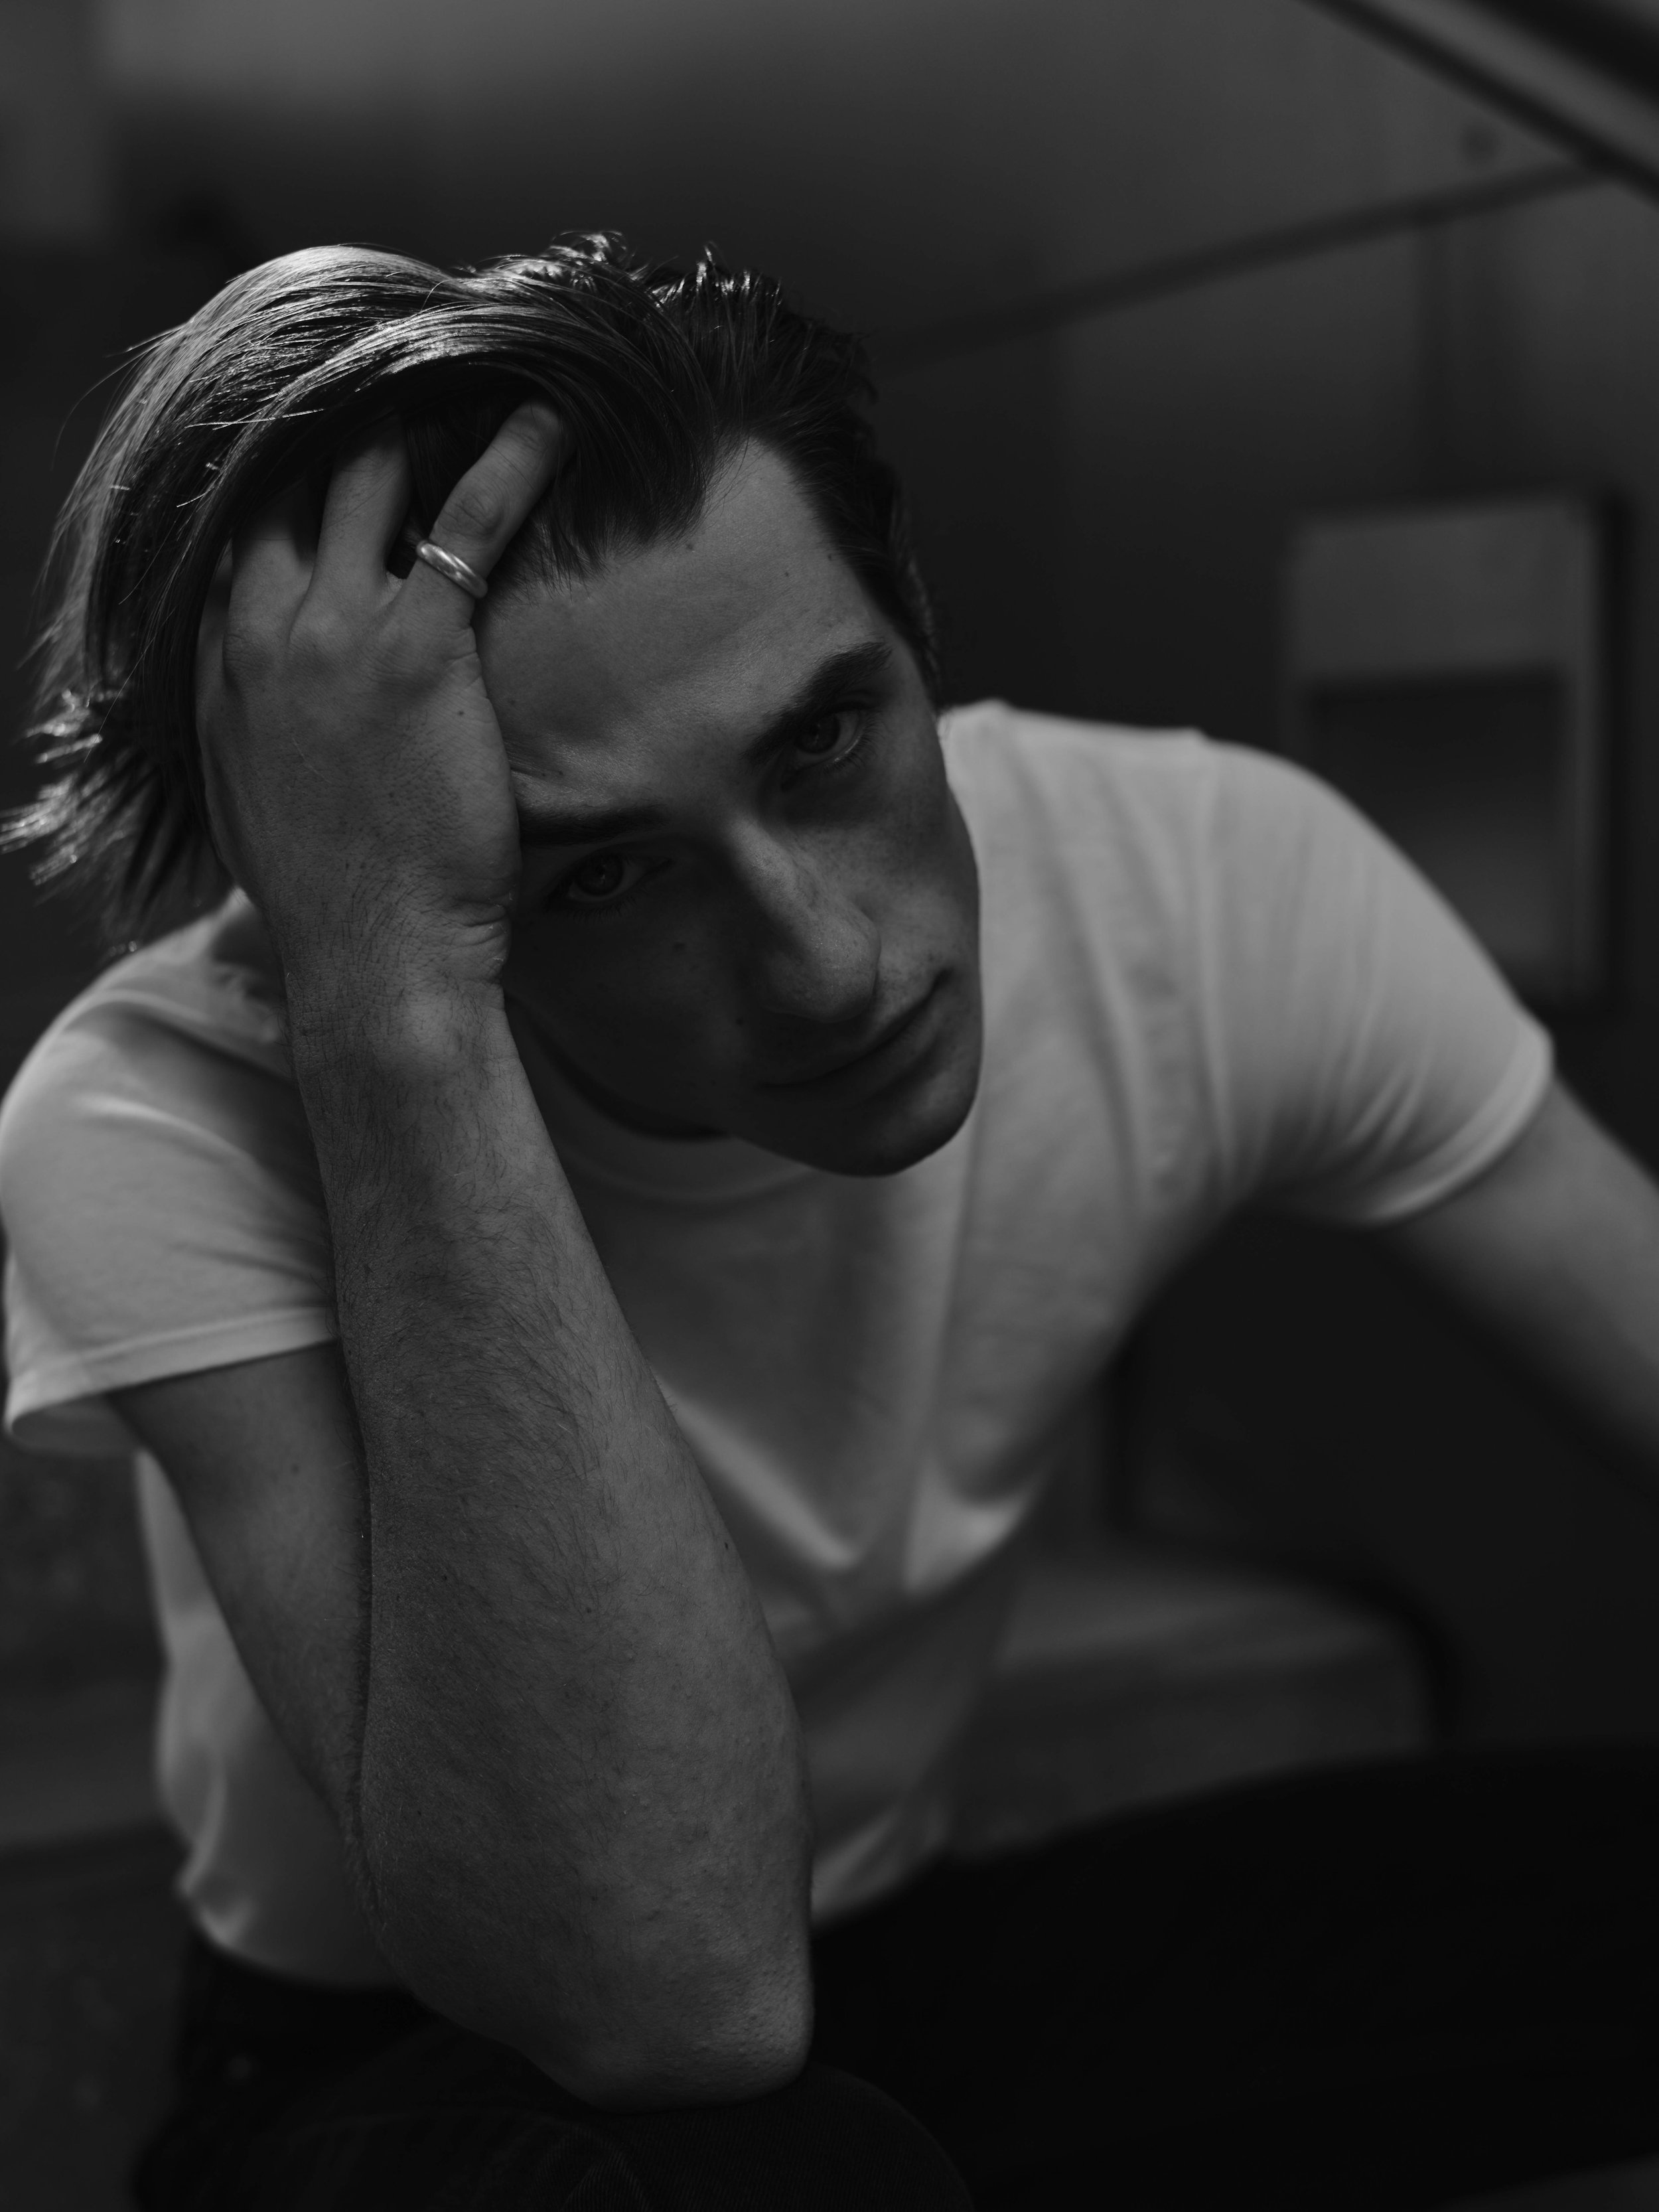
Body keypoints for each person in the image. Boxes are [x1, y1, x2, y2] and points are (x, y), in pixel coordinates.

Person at [4, 232, 1659, 2212]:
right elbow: (656, 2001)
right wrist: (402, 1002)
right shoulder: (165, 1102)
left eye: (822, 744)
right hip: (403, 2078)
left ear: (919, 622)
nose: (822, 963)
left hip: (896, 1966)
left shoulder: (1194, 884)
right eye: (597, 882)